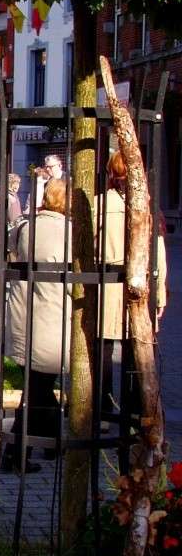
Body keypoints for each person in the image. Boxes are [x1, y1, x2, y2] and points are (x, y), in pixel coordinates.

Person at [3, 178, 71, 473]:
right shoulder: (68, 231)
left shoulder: (26, 225)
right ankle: (15, 453)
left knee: (38, 386)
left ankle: (52, 442)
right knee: (37, 390)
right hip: (50, 318)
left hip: (23, 318)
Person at [99, 149, 167, 416]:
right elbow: (157, 256)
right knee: (136, 348)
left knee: (103, 350)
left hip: (106, 286)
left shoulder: (99, 204)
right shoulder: (147, 207)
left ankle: (102, 410)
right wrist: (160, 295)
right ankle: (135, 410)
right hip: (139, 285)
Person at [0, 173, 22, 301]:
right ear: (12, 184)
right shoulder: (11, 199)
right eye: (16, 183)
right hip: (7, 237)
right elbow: (15, 220)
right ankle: (16, 293)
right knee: (13, 266)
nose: (18, 186)